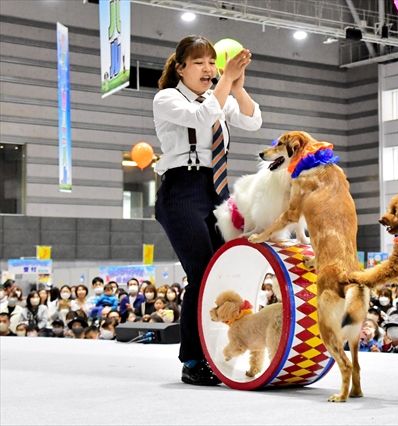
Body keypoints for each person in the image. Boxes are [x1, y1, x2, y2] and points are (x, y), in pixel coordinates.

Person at [153, 35, 261, 386]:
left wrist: (238, 87)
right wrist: (225, 83)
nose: (208, 69)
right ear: (180, 68)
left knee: (224, 273)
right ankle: (193, 360)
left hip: (216, 190)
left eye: (212, 63)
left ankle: (219, 351)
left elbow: (252, 120)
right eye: (199, 62)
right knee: (201, 273)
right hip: (180, 191)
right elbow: (202, 118)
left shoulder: (219, 98)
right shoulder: (167, 98)